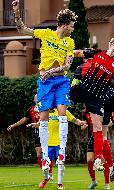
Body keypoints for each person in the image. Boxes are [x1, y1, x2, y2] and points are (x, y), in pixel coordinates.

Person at [12, 0, 77, 171]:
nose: (72, 29)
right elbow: (22, 29)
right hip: (45, 82)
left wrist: (54, 71)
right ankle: (47, 158)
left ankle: (62, 151)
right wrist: (17, 12)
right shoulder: (46, 34)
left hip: (61, 80)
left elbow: (68, 65)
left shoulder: (69, 43)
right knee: (43, 117)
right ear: (64, 25)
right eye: (71, 25)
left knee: (62, 111)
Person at [70, 36, 114, 170]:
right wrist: (62, 53)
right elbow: (77, 53)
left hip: (96, 97)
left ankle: (98, 159)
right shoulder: (97, 53)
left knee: (98, 128)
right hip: (83, 88)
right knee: (62, 101)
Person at [27, 109, 86, 189]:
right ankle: (46, 178)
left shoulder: (62, 111)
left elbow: (74, 120)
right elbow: (41, 123)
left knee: (61, 163)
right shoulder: (46, 111)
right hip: (48, 143)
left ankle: (60, 184)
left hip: (59, 143)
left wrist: (81, 123)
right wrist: (36, 124)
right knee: (45, 166)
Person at [82, 108, 114, 190]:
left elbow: (110, 123)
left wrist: (100, 126)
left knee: (103, 160)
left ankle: (107, 184)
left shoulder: (101, 109)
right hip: (91, 138)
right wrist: (84, 125)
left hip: (100, 137)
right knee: (89, 160)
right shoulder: (85, 112)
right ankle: (93, 181)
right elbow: (84, 124)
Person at [7, 95, 41, 168]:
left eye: (40, 96)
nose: (38, 99)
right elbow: (24, 119)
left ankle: (51, 170)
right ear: (34, 100)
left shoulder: (47, 108)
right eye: (36, 98)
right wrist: (13, 125)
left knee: (48, 152)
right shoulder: (31, 110)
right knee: (39, 154)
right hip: (37, 132)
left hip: (48, 131)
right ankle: (45, 173)